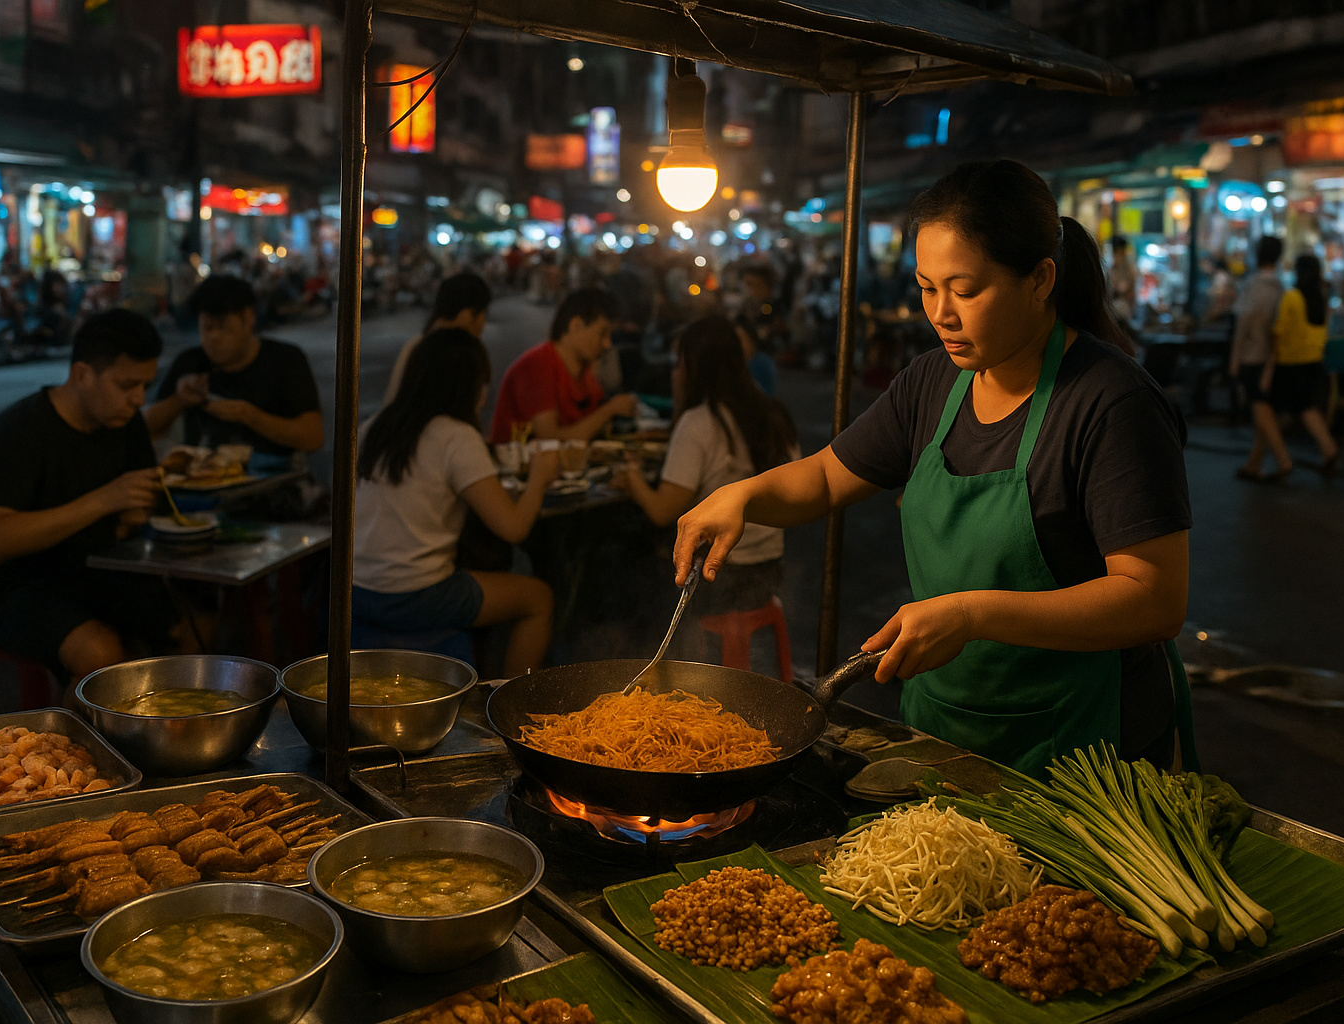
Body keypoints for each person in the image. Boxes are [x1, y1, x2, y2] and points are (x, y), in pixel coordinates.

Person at [675, 160, 1197, 778]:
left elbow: (1154, 598)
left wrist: (973, 614)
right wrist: (743, 495)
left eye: (965, 290)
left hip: (1081, 751)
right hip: (944, 731)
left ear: (1040, 280)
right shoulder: (932, 382)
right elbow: (822, 478)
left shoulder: (1111, 402)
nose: (940, 314)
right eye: (926, 287)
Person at [0, 309, 190, 682]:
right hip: (15, 587)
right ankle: (72, 742)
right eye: (126, 385)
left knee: (187, 627)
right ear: (83, 374)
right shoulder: (19, 430)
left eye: (145, 386)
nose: (138, 399)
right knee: (99, 654)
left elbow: (138, 508)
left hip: (94, 568)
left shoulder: (125, 422)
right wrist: (106, 499)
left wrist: (136, 510)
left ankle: (170, 734)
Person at [354, 329, 559, 676]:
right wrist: (540, 476)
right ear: (468, 385)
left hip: (354, 590)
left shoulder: (374, 426)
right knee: (538, 598)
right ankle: (511, 700)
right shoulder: (455, 436)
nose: (484, 395)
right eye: (483, 384)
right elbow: (513, 528)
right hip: (414, 596)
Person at [612, 316, 798, 616]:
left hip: (720, 579)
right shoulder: (774, 413)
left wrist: (631, 477)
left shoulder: (700, 421)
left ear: (692, 368)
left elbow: (662, 511)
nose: (675, 372)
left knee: (629, 559)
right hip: (769, 571)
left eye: (678, 364)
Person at [143, 274, 324, 466]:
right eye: (206, 328)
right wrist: (179, 400)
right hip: (203, 478)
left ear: (248, 318)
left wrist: (250, 416)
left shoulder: (285, 360)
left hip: (274, 481)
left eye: (223, 328)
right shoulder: (191, 362)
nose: (214, 337)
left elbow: (313, 438)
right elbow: (146, 431)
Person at [488, 288, 637, 443]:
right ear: (576, 326)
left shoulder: (585, 372)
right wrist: (610, 410)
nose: (607, 344)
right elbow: (549, 439)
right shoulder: (537, 365)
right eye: (602, 334)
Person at [1249, 253, 1340, 480]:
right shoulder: (1321, 299)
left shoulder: (1292, 297)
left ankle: (1282, 459)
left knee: (1262, 404)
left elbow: (1278, 334)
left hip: (1289, 364)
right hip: (1313, 363)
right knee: (1306, 408)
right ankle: (1329, 449)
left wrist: (1269, 368)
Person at [382, 272, 493, 405]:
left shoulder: (414, 346)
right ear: (468, 314)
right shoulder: (464, 353)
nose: (482, 325)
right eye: (483, 314)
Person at [1232, 237, 1288, 481]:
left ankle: (1283, 458)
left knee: (1260, 407)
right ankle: (1254, 463)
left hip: (1252, 354)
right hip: (1273, 355)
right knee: (1263, 409)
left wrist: (1234, 360)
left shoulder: (1253, 286)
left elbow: (1243, 324)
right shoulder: (1280, 286)